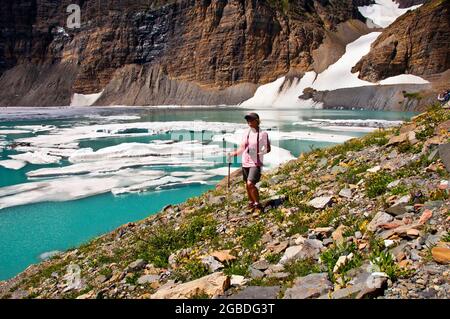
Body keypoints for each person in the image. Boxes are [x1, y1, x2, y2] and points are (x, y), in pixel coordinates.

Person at [228, 112, 271, 212]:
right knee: (247, 185)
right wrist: (233, 154)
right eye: (248, 120)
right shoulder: (246, 133)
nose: (249, 122)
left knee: (250, 183)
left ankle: (257, 204)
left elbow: (268, 148)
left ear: (257, 121)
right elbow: (242, 148)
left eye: (251, 119)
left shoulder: (263, 134)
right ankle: (251, 202)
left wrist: (260, 152)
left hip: (256, 162)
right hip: (245, 162)